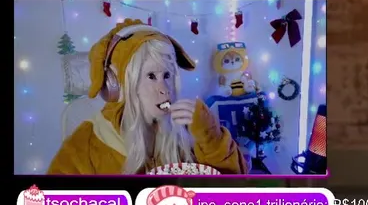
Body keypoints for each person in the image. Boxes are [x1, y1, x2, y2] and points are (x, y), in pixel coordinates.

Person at [48, 19, 248, 175]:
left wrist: (211, 136)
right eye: (151, 76)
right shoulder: (87, 143)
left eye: (167, 76)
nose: (164, 89)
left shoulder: (190, 129)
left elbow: (233, 192)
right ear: (117, 85)